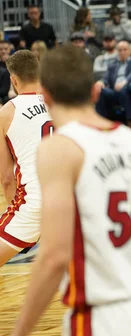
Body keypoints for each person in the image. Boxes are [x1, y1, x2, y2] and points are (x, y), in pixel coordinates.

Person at [10, 45, 131, 335]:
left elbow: (54, 257)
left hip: (101, 317)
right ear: (97, 91)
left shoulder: (59, 150)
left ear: (46, 96)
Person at [0, 51, 51, 268]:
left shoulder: (7, 112)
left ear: (13, 80)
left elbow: (6, 178)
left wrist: (21, 222)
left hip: (35, 200)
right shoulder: (60, 103)